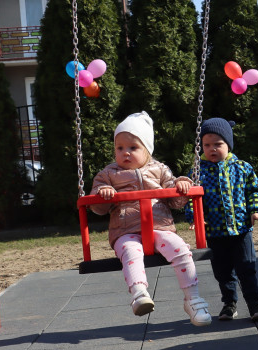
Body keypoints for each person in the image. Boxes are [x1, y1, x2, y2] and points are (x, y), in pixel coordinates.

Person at [90, 111, 211, 326]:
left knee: (181, 249)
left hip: (160, 228)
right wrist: (103, 193)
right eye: (120, 148)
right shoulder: (108, 175)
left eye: (133, 148)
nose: (125, 153)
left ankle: (193, 299)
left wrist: (181, 186)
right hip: (126, 232)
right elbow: (97, 209)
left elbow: (175, 201)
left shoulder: (160, 170)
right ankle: (139, 294)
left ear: (147, 150)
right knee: (130, 252)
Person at [186, 117, 258, 322]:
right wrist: (195, 217)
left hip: (241, 230)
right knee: (222, 272)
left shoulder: (242, 167)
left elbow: (255, 191)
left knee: (246, 267)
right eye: (207, 145)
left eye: (218, 144)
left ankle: (254, 304)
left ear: (228, 145)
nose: (212, 149)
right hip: (215, 232)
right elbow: (191, 198)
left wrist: (256, 210)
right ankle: (229, 304)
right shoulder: (198, 171)